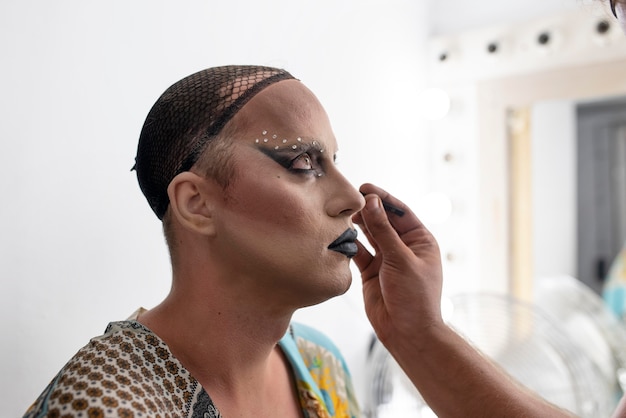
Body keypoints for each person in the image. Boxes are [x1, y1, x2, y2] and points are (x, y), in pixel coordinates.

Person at [22, 2, 626, 418]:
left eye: (335, 160)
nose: (352, 198)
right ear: (196, 202)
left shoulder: (318, 363)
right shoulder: (108, 402)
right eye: (303, 164)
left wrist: (423, 334)